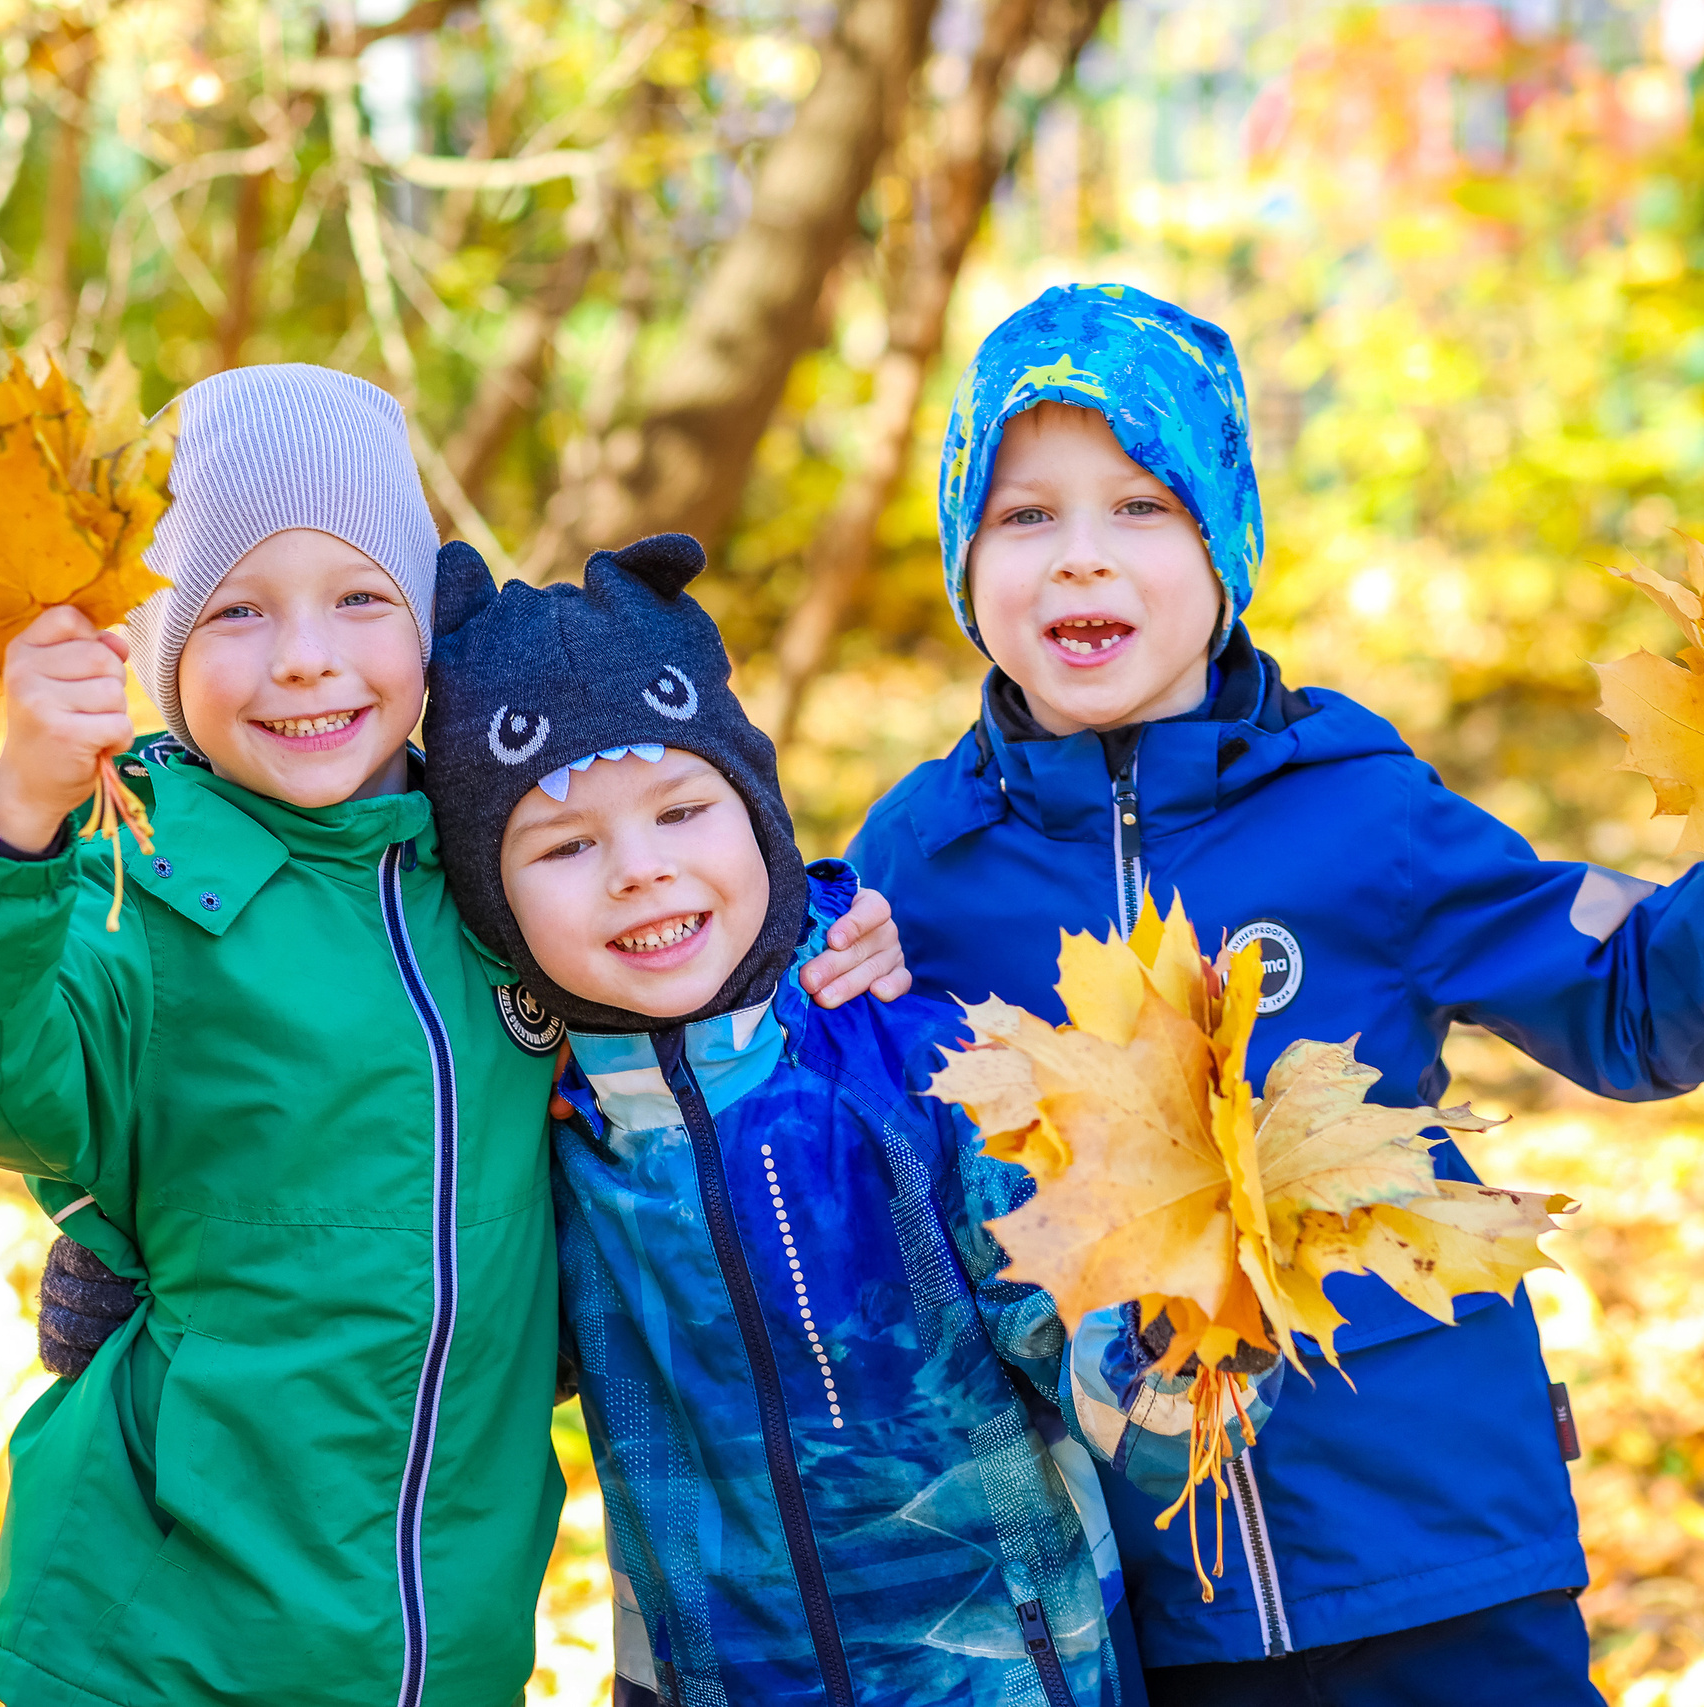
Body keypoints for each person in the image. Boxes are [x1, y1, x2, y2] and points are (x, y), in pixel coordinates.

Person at [845, 284, 1704, 1704]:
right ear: (967, 559)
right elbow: (858, 1141)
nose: (1080, 558)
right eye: (1027, 516)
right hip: (1150, 1572)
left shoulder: (1360, 809)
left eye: (1142, 507)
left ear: (1226, 547)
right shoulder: (923, 860)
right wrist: (827, 984)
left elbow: (1618, 992)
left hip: (1438, 1526)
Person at [0, 365, 905, 1707]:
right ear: (159, 650)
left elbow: (681, 954)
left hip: (449, 1635)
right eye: (235, 609)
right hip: (157, 1637)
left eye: (360, 597)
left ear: (423, 623)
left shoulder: (499, 875)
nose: (303, 654)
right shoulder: (132, 887)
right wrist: (14, 818)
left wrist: (831, 942)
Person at [416, 529, 1237, 1707]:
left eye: (683, 809)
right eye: (564, 845)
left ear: (758, 815)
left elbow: (1088, 1345)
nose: (638, 871)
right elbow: (454, 1346)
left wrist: (1181, 1343)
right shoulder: (538, 1128)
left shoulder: (920, 1068)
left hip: (1004, 1675)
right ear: (492, 901)